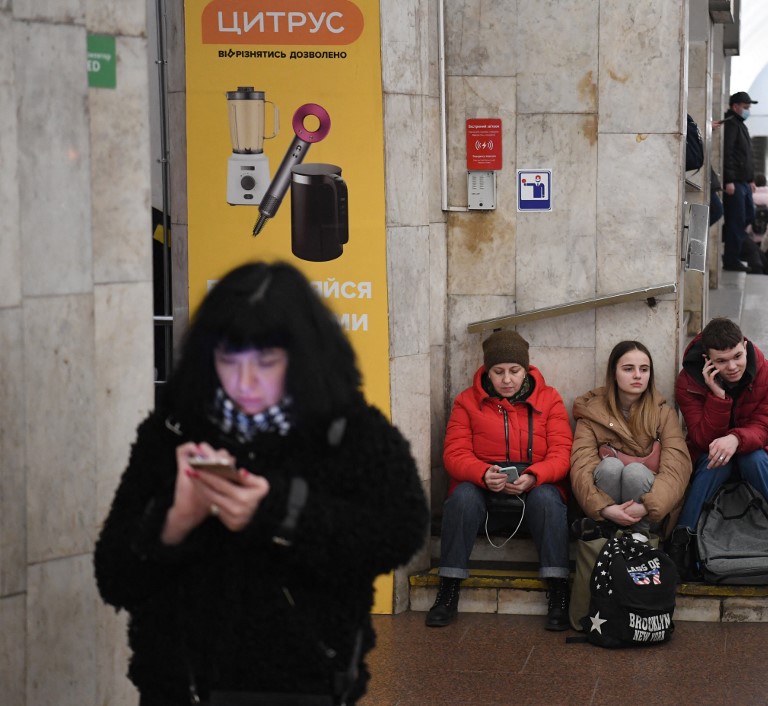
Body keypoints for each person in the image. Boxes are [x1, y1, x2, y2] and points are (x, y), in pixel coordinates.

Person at [94, 261, 429, 704]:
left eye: (266, 363)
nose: (244, 384)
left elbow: (400, 533)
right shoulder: (172, 430)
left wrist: (280, 512)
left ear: (303, 356)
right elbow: (114, 576)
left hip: (304, 684)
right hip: (179, 687)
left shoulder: (348, 431)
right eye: (228, 361)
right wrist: (175, 521)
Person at [430, 330, 573, 630]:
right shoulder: (467, 402)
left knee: (549, 499)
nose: (507, 380)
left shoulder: (549, 399)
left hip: (533, 490)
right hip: (484, 489)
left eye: (514, 371)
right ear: (487, 371)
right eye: (498, 372)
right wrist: (482, 474)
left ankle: (558, 590)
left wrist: (535, 476)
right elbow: (454, 454)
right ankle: (449, 588)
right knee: (462, 498)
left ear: (526, 369)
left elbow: (562, 453)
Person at [672, 318, 768, 584]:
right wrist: (717, 396)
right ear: (707, 360)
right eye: (722, 361)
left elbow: (766, 428)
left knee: (754, 456)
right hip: (711, 459)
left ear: (745, 345)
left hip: (754, 456)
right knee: (719, 459)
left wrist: (736, 439)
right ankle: (683, 543)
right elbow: (703, 439)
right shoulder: (689, 382)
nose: (733, 365)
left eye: (737, 356)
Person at [570, 341, 691, 540]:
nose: (637, 375)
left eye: (644, 369)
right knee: (609, 466)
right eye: (628, 369)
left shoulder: (664, 414)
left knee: (635, 472)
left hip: (649, 511)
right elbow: (581, 467)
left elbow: (677, 469)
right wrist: (605, 509)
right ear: (613, 373)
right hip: (605, 511)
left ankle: (640, 538)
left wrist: (645, 507)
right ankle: (607, 534)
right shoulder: (592, 413)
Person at [721, 91, 758, 272]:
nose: (747, 111)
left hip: (744, 182)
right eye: (745, 107)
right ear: (735, 107)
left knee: (747, 216)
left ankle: (733, 251)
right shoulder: (731, 125)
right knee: (736, 221)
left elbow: (745, 156)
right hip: (735, 183)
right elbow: (727, 154)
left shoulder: (740, 124)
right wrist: (729, 180)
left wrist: (750, 179)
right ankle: (731, 259)